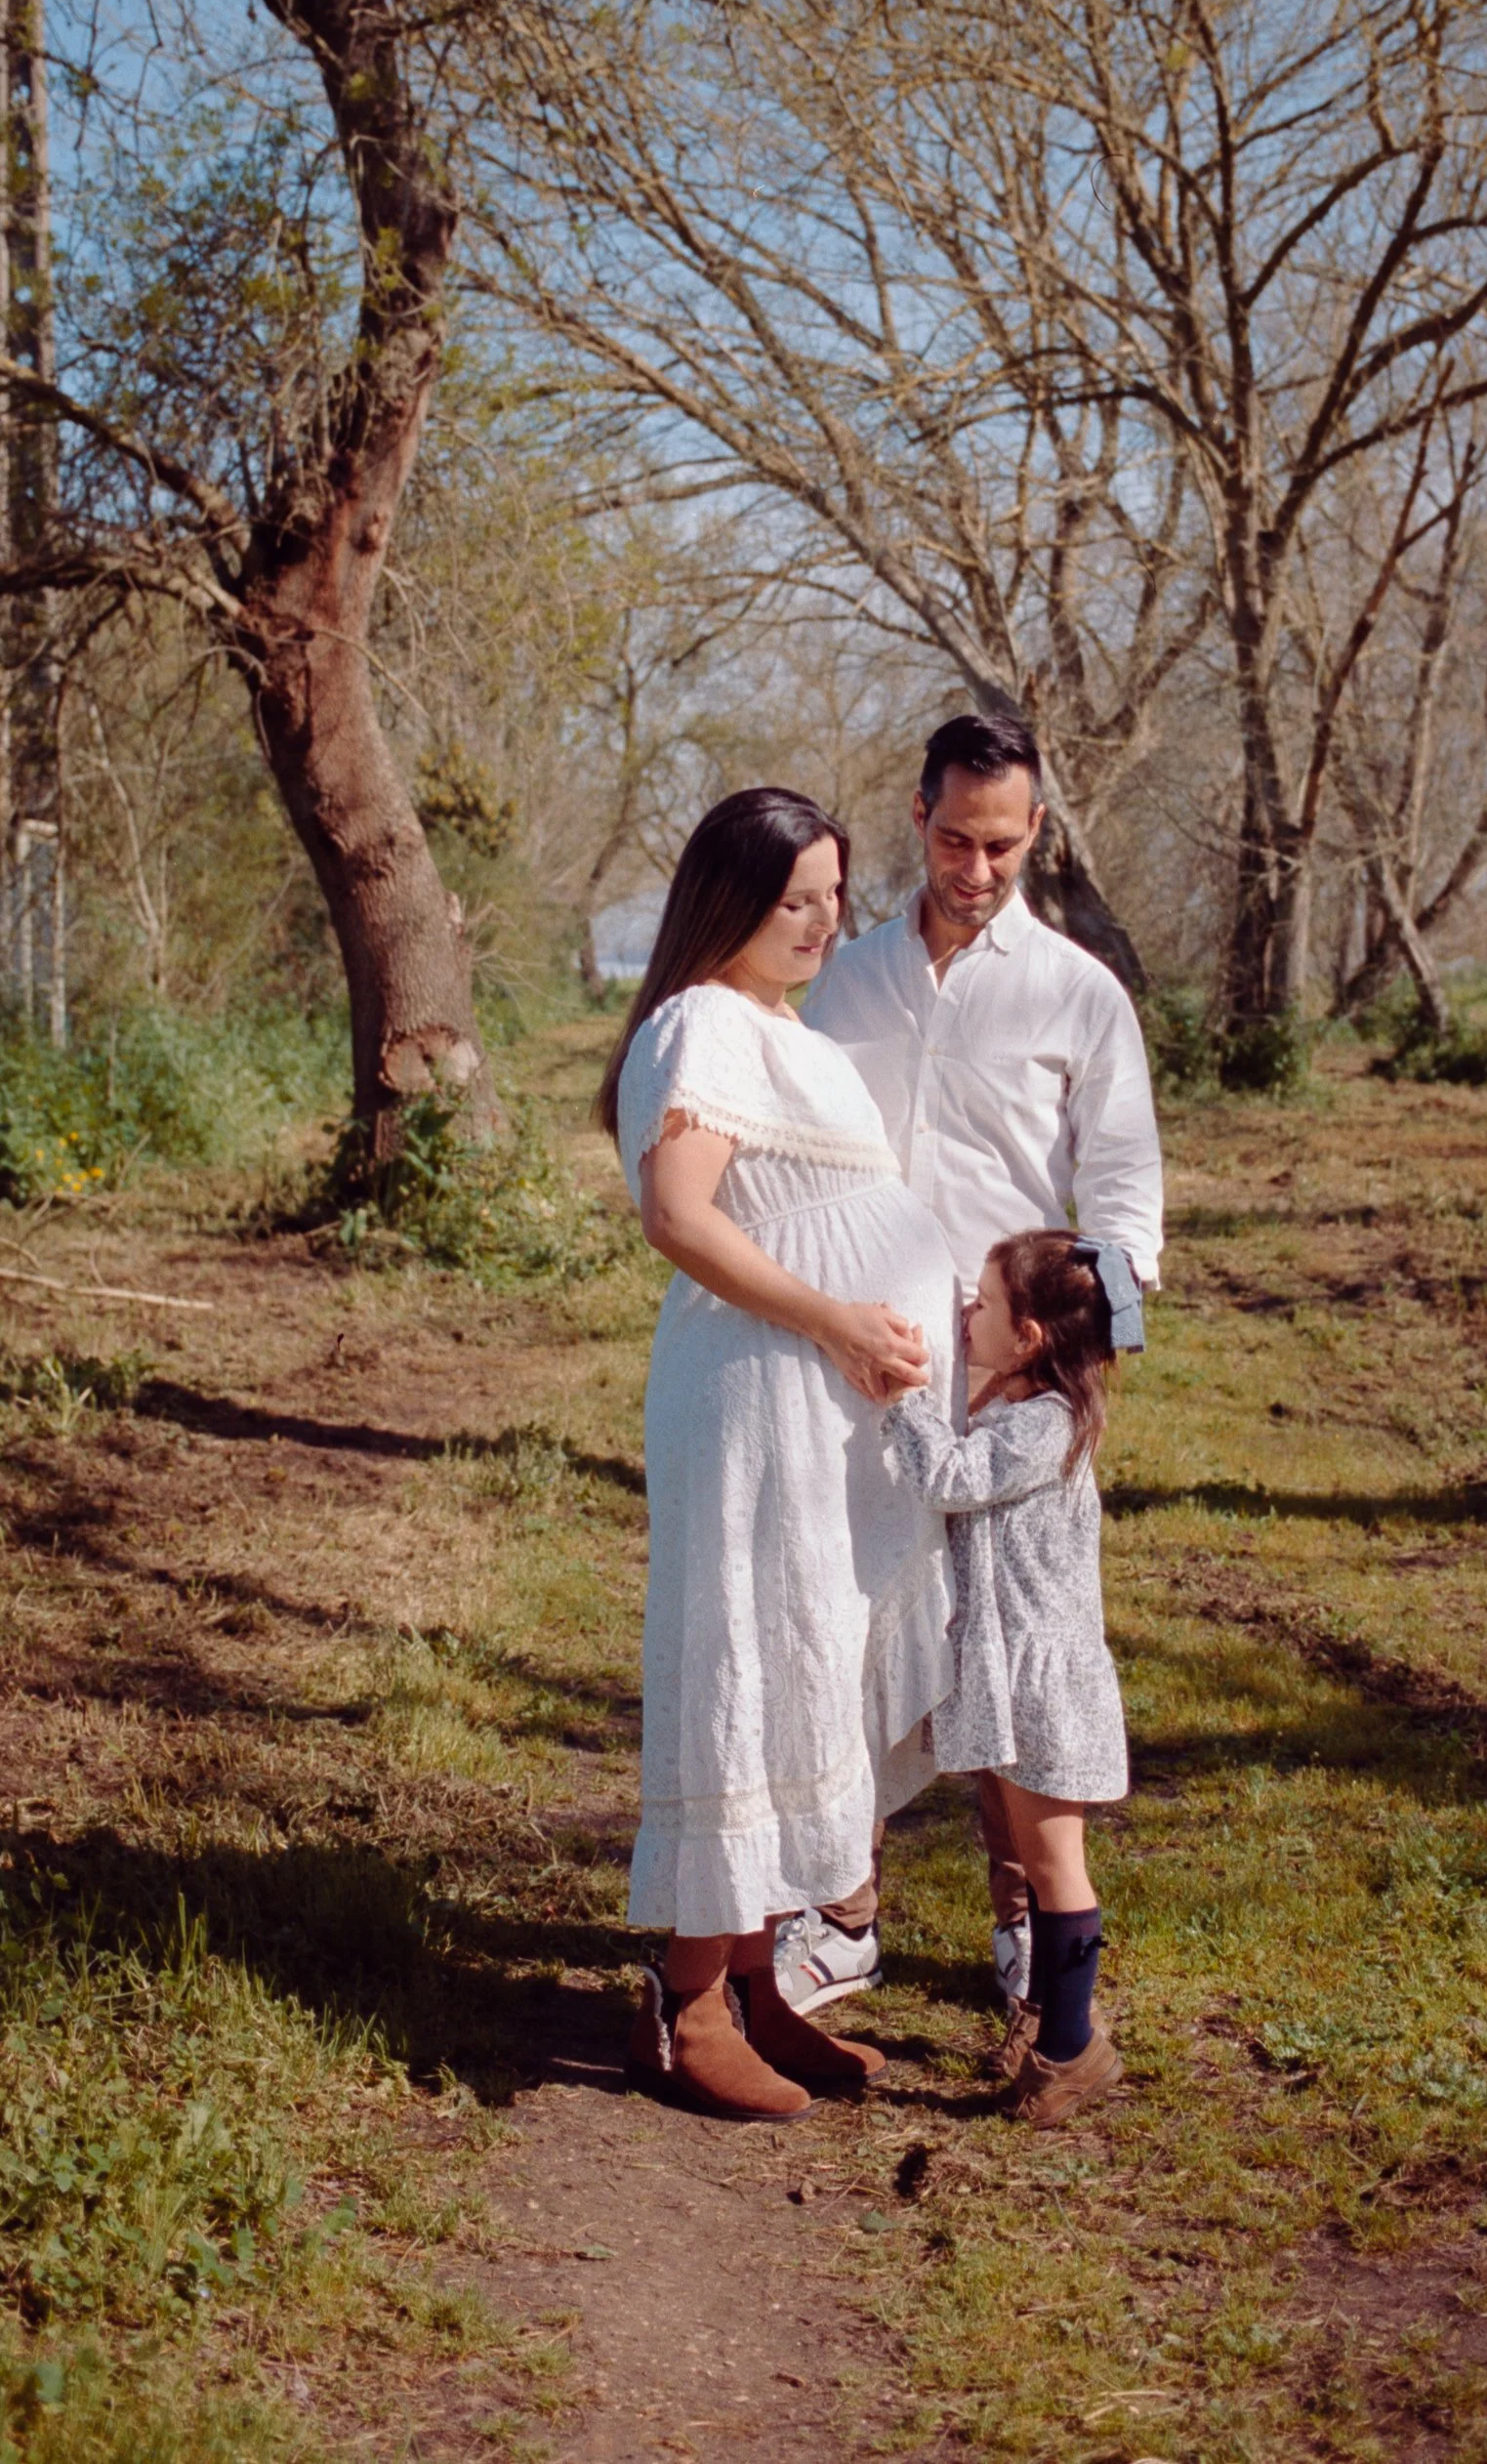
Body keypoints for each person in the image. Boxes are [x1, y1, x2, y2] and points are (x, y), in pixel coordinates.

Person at [783, 709, 1162, 2022]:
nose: (979, 868)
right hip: (866, 1352)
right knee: (853, 1620)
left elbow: (1122, 1193)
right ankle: (843, 1913)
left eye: (1004, 844)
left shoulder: (1075, 993)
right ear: (916, 813)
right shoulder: (846, 978)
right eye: (956, 838)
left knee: (1012, 1646)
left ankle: (1021, 1918)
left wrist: (1072, 1375)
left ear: (1035, 831)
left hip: (1009, 1369)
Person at [601, 785, 960, 2125]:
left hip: (818, 1407)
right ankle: (686, 2000)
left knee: (803, 1661)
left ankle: (759, 1984)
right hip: (754, 1394)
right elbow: (678, 1216)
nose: (818, 923)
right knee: (744, 1666)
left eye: (831, 898)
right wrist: (835, 1322)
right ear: (726, 896)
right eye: (791, 897)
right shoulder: (699, 1021)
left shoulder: (776, 1023)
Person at [885, 1229, 1136, 2127]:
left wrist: (904, 1394)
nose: (965, 1315)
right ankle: (1057, 2033)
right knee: (1040, 1860)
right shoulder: (1024, 1408)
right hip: (1017, 1666)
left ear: (1028, 1337)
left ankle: (1073, 2049)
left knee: (1057, 1867)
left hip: (1044, 1679)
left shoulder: (1043, 1425)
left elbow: (949, 1479)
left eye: (984, 1304)